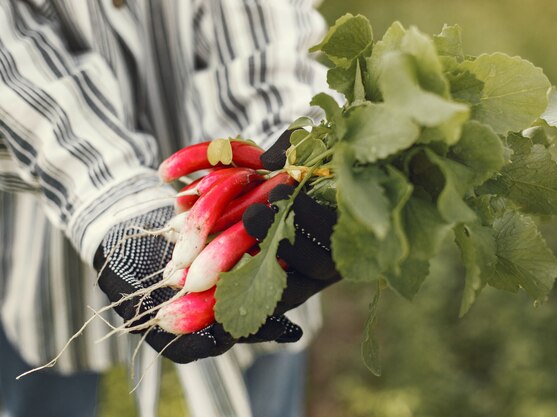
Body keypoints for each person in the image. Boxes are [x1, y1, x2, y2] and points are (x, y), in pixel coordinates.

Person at [0, 1, 338, 416]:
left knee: (262, 330)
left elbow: (266, 34)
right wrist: (115, 202)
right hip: (49, 216)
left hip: (261, 239)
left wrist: (288, 134)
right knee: (46, 379)